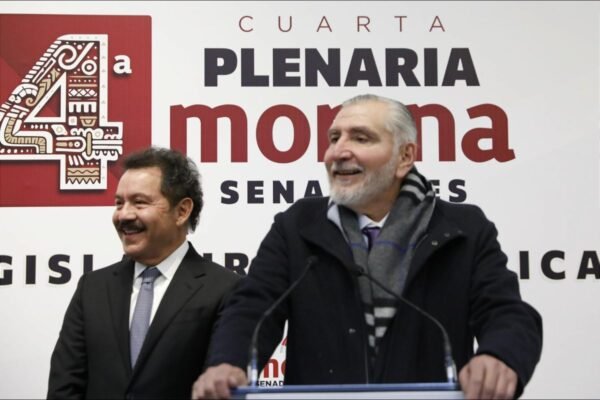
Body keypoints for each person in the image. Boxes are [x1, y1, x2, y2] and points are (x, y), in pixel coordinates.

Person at [191, 94, 543, 400]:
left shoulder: (463, 228)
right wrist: (228, 362)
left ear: (405, 157)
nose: (339, 152)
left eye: (361, 138)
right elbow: (252, 307)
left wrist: (500, 356)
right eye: (334, 138)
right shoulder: (298, 226)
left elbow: (506, 312)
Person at [47, 147, 240, 399]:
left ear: (182, 211)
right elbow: (65, 387)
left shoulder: (226, 290)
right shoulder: (92, 288)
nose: (124, 215)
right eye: (119, 203)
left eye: (139, 202)